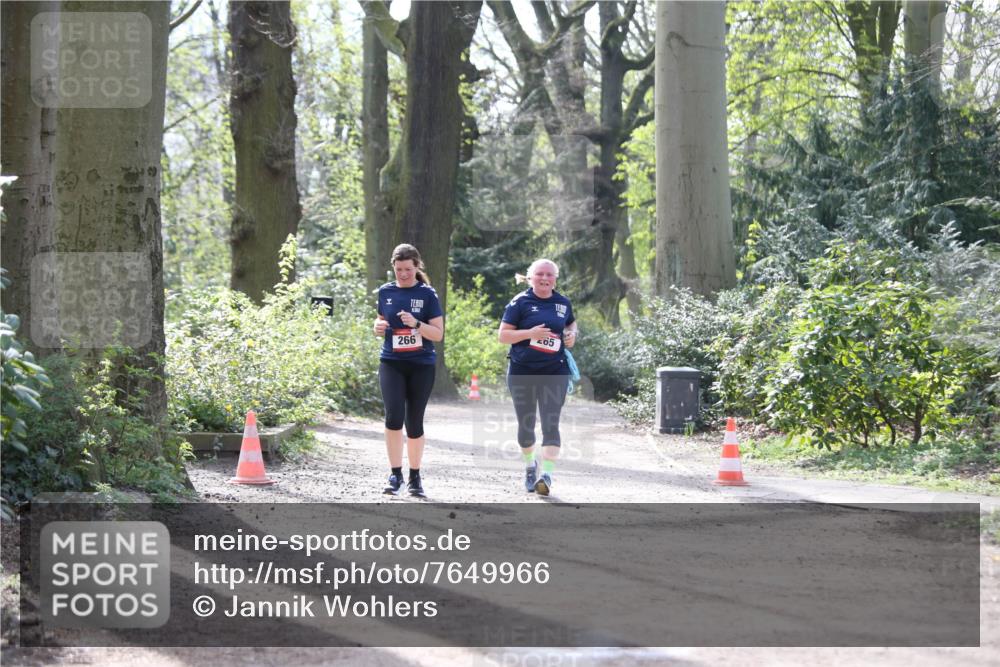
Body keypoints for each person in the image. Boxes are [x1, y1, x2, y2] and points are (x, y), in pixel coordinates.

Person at [498, 259, 577, 496]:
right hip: (522, 371)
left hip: (555, 372)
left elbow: (571, 323)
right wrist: (530, 334)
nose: (544, 278)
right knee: (526, 426)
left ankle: (547, 476)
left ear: (555, 279)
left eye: (549, 275)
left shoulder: (563, 303)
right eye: (540, 274)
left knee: (551, 423)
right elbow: (503, 336)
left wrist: (572, 333)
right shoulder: (519, 302)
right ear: (530, 277)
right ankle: (530, 467)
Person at [373, 244, 444, 497]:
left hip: (421, 364)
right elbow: (381, 320)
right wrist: (377, 327)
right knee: (393, 416)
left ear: (417, 267)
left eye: (408, 270)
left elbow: (437, 334)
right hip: (391, 361)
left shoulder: (427, 294)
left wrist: (416, 324)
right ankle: (395, 475)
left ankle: (415, 477)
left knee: (414, 422)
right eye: (398, 269)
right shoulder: (385, 291)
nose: (403, 274)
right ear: (393, 267)